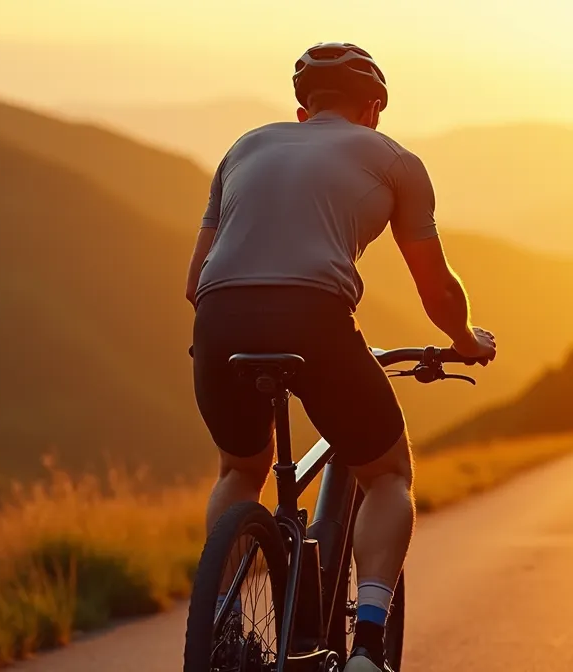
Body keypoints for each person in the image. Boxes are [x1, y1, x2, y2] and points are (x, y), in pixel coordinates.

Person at [184, 42, 497, 671]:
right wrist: (465, 341)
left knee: (240, 471)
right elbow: (436, 291)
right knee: (387, 475)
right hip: (315, 320)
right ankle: (369, 646)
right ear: (374, 109)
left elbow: (195, 281)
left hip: (220, 322)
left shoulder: (243, 148)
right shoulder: (395, 161)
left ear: (303, 109)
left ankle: (222, 620)